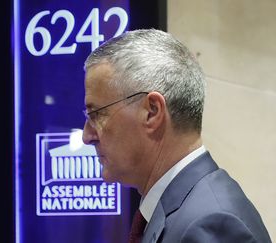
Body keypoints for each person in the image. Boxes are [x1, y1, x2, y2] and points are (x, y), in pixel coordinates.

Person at [82, 29, 271, 243]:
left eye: (96, 114)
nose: (86, 136)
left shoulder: (212, 224)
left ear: (152, 112)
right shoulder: (184, 209)